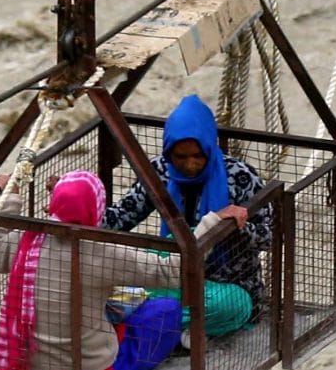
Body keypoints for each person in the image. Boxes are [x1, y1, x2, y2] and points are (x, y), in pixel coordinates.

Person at [0, 170, 228, 370]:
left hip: (30, 368)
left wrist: (10, 199)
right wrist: (212, 223)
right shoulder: (103, 252)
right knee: (167, 309)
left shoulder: (26, 240)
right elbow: (175, 271)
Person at [101, 92, 271, 341]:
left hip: (225, 284)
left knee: (233, 306)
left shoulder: (240, 177)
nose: (190, 165)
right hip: (173, 275)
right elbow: (121, 217)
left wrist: (235, 226)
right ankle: (172, 326)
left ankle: (151, 321)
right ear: (168, 153)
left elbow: (270, 236)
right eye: (181, 157)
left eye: (198, 156)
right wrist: (75, 206)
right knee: (122, 279)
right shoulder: (159, 173)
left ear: (209, 149)